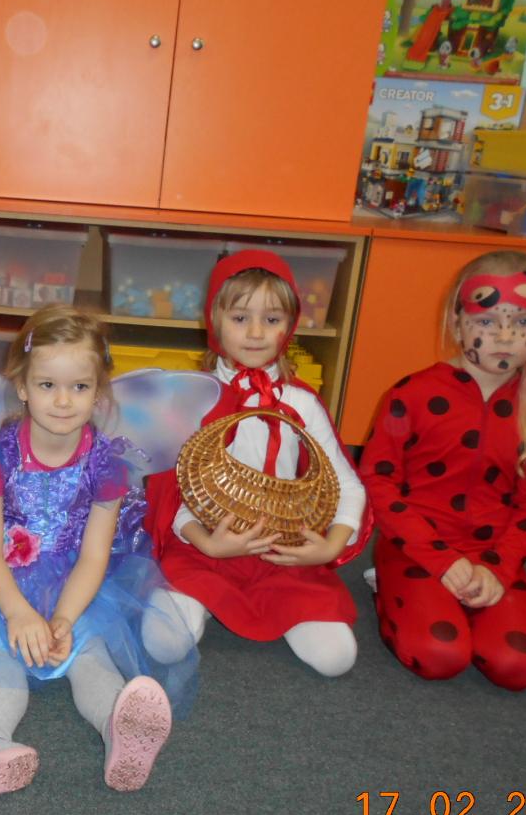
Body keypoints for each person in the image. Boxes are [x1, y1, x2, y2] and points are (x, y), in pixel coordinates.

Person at [0, 306, 197, 810]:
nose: (63, 401)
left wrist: (64, 617)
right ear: (22, 387)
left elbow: (94, 557)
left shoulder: (106, 465)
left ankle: (120, 730)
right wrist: (19, 612)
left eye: (79, 387)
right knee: (1, 650)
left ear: (98, 392)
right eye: (47, 385)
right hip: (1, 576)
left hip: (77, 578)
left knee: (89, 652)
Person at [144, 251, 369, 677]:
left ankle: (265, 603)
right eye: (240, 318)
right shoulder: (196, 397)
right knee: (164, 644)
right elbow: (174, 488)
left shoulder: (300, 402)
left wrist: (331, 546)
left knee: (337, 659)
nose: (255, 332)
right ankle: (199, 600)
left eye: (271, 319)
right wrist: (207, 542)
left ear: (290, 324)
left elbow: (348, 484)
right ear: (214, 319)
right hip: (205, 544)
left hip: (281, 553)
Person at [360, 251, 526, 690]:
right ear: (457, 324)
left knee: (518, 665)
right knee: (440, 654)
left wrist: (501, 567)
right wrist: (440, 559)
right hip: (416, 546)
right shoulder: (412, 394)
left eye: (523, 322)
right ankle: (388, 588)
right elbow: (378, 480)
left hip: (495, 553)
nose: (505, 336)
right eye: (486, 321)